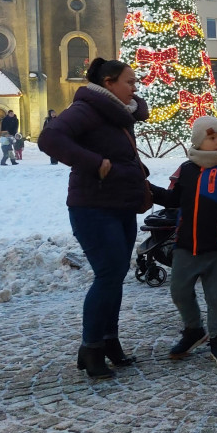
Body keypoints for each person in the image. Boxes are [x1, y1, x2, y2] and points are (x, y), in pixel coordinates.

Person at [38, 57, 150, 380]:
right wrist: (93, 162)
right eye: (129, 82)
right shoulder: (86, 109)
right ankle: (90, 348)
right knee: (107, 275)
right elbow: (50, 139)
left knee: (115, 277)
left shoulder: (118, 116)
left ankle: (109, 341)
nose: (134, 88)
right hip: (93, 207)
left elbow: (123, 160)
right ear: (109, 82)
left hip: (120, 206)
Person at [150, 116, 217, 367]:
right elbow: (173, 199)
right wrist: (146, 188)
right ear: (198, 141)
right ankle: (194, 329)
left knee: (216, 297)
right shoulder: (186, 169)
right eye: (212, 137)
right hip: (187, 245)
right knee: (179, 291)